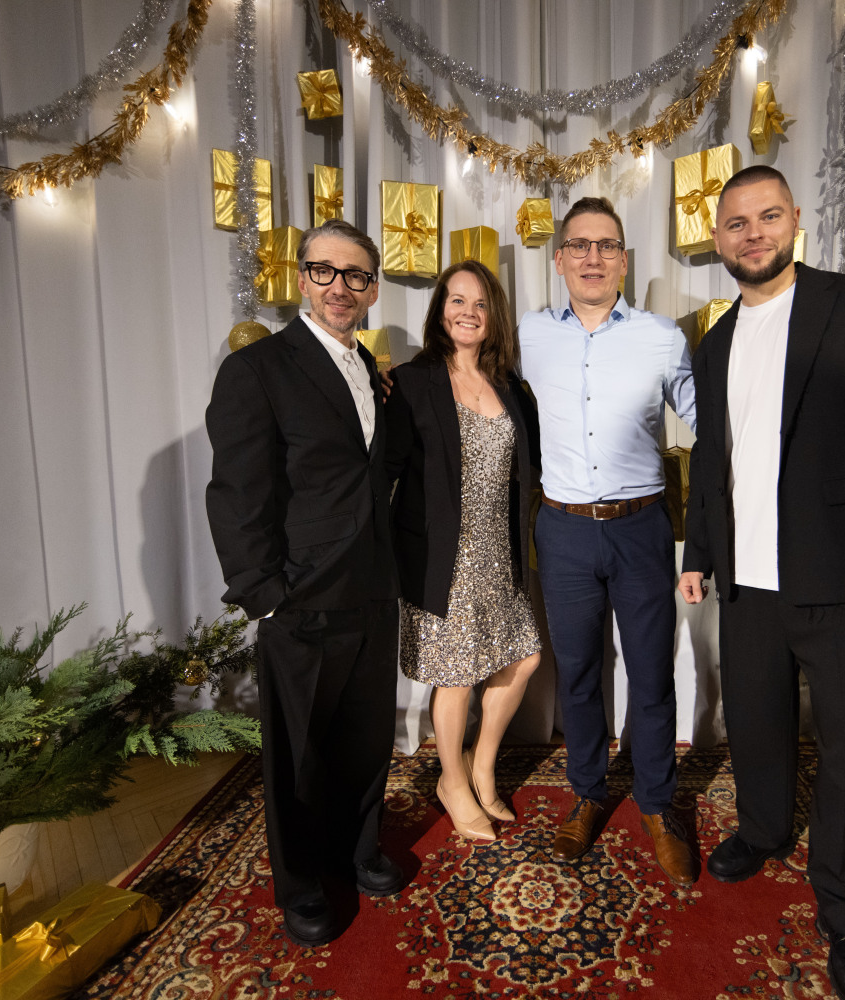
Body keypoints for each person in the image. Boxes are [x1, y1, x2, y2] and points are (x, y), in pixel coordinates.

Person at [678, 165, 845, 1000]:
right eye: (736, 223)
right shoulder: (714, 340)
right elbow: (712, 459)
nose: (752, 233)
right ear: (717, 239)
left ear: (795, 219)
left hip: (842, 576)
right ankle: (763, 829)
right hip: (746, 582)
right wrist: (697, 553)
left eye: (767, 216)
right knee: (756, 723)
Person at [204, 219, 407, 948]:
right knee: (297, 751)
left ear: (372, 289)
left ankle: (359, 850)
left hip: (373, 589)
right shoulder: (258, 369)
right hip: (301, 595)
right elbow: (237, 492)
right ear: (301, 279)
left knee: (366, 736)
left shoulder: (373, 372)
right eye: (325, 271)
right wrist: (263, 591)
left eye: (355, 275)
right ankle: (301, 883)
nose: (339, 287)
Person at [518, 196, 700, 887]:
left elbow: (709, 419)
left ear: (624, 260)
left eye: (606, 246)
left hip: (641, 528)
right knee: (578, 672)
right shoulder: (528, 334)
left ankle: (656, 804)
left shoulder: (662, 337)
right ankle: (589, 793)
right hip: (561, 529)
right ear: (559, 259)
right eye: (579, 245)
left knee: (651, 672)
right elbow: (468, 382)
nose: (592, 257)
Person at [385, 260, 543, 843]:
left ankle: (481, 765)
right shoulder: (410, 381)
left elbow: (532, 467)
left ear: (493, 315)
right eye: (457, 300)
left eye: (479, 304)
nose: (468, 312)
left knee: (523, 658)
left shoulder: (510, 386)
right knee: (454, 677)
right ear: (439, 310)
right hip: (440, 556)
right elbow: (386, 472)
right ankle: (451, 782)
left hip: (500, 550)